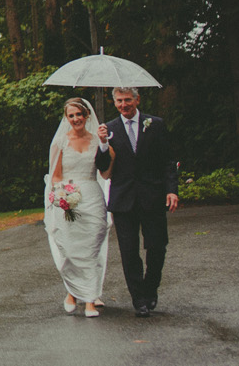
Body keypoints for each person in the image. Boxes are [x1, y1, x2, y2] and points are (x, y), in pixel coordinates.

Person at [96, 86, 178, 317]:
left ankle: (151, 288)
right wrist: (102, 144)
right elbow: (102, 167)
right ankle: (138, 298)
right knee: (129, 251)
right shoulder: (108, 130)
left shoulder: (156, 124)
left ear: (137, 99)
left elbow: (168, 161)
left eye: (128, 100)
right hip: (123, 200)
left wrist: (171, 191)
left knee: (157, 246)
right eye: (119, 101)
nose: (124, 105)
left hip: (152, 196)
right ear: (114, 103)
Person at [45, 97, 112, 317]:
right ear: (67, 118)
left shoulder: (97, 141)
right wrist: (61, 198)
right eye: (71, 115)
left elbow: (105, 173)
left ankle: (90, 299)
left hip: (92, 196)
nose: (76, 119)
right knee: (71, 248)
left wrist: (105, 145)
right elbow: (55, 175)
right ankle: (73, 292)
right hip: (68, 196)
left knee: (92, 246)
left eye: (79, 114)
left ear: (87, 116)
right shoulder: (60, 142)